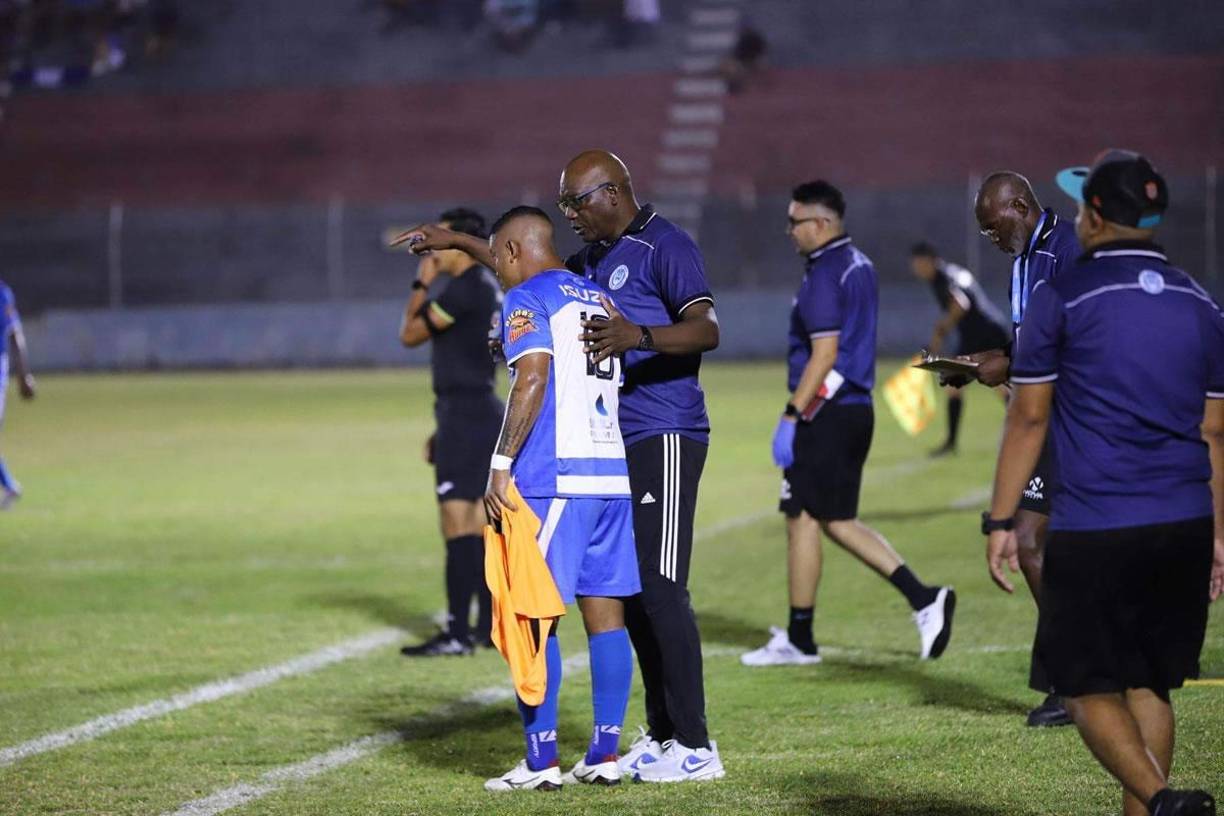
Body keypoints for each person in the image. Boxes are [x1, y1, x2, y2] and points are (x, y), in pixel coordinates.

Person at [394, 149, 725, 783]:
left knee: (606, 600)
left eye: (577, 201)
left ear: (613, 192)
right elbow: (524, 254)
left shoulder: (662, 246)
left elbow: (704, 329)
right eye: (564, 207)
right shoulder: (590, 272)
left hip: (650, 437)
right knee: (622, 601)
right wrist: (462, 241)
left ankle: (678, 745)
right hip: (612, 457)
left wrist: (640, 338)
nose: (570, 214)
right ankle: (638, 740)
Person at [984, 150, 1223, 816]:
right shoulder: (1201, 303)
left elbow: (1030, 414)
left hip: (1100, 522)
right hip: (1184, 520)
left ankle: (1165, 803)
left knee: (1084, 686)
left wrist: (1000, 521)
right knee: (1150, 685)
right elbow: (1216, 433)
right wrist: (1221, 533)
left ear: (1093, 216)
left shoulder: (1062, 295)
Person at [741, 180, 956, 667]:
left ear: (821, 224)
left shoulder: (824, 274)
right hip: (849, 408)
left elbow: (826, 353)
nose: (789, 231)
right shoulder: (857, 264)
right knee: (802, 517)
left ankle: (924, 598)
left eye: (795, 221)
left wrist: (794, 414)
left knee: (835, 520)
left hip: (827, 411)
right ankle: (800, 636)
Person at [480, 206, 640, 791]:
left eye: (498, 255)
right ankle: (603, 754)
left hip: (556, 477)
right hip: (609, 476)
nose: (497, 269)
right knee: (606, 617)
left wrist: (501, 465)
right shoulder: (599, 297)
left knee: (532, 617)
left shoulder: (528, 297)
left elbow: (533, 377)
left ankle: (542, 762)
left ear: (517, 249)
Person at [973, 171, 1081, 727]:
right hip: (1039, 418)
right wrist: (980, 366)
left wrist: (1009, 365)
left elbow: (1074, 337)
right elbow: (1027, 342)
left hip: (1074, 418)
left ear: (1019, 205)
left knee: (1042, 540)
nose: (993, 239)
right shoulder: (1022, 262)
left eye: (994, 227)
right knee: (1030, 538)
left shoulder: (1067, 249)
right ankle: (1074, 677)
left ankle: (1080, 678)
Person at [396, 208, 503, 657]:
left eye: (441, 238)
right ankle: (483, 628)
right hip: (473, 412)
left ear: (458, 242)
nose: (433, 246)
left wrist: (421, 280)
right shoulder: (485, 287)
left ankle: (459, 632)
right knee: (478, 526)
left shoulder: (463, 290)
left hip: (467, 414)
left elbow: (410, 334)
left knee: (457, 524)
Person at [909, 242, 1009, 457]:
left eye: (919, 264)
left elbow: (961, 304)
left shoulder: (941, 278)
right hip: (985, 330)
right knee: (967, 385)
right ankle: (951, 444)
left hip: (983, 333)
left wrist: (942, 330)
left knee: (1000, 385)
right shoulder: (951, 272)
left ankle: (1030, 430)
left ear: (929, 260)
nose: (917, 270)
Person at [0, 278, 35, 509]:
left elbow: (14, 333)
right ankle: (10, 485)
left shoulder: (2, 294)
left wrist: (24, 375)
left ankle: (10, 485)